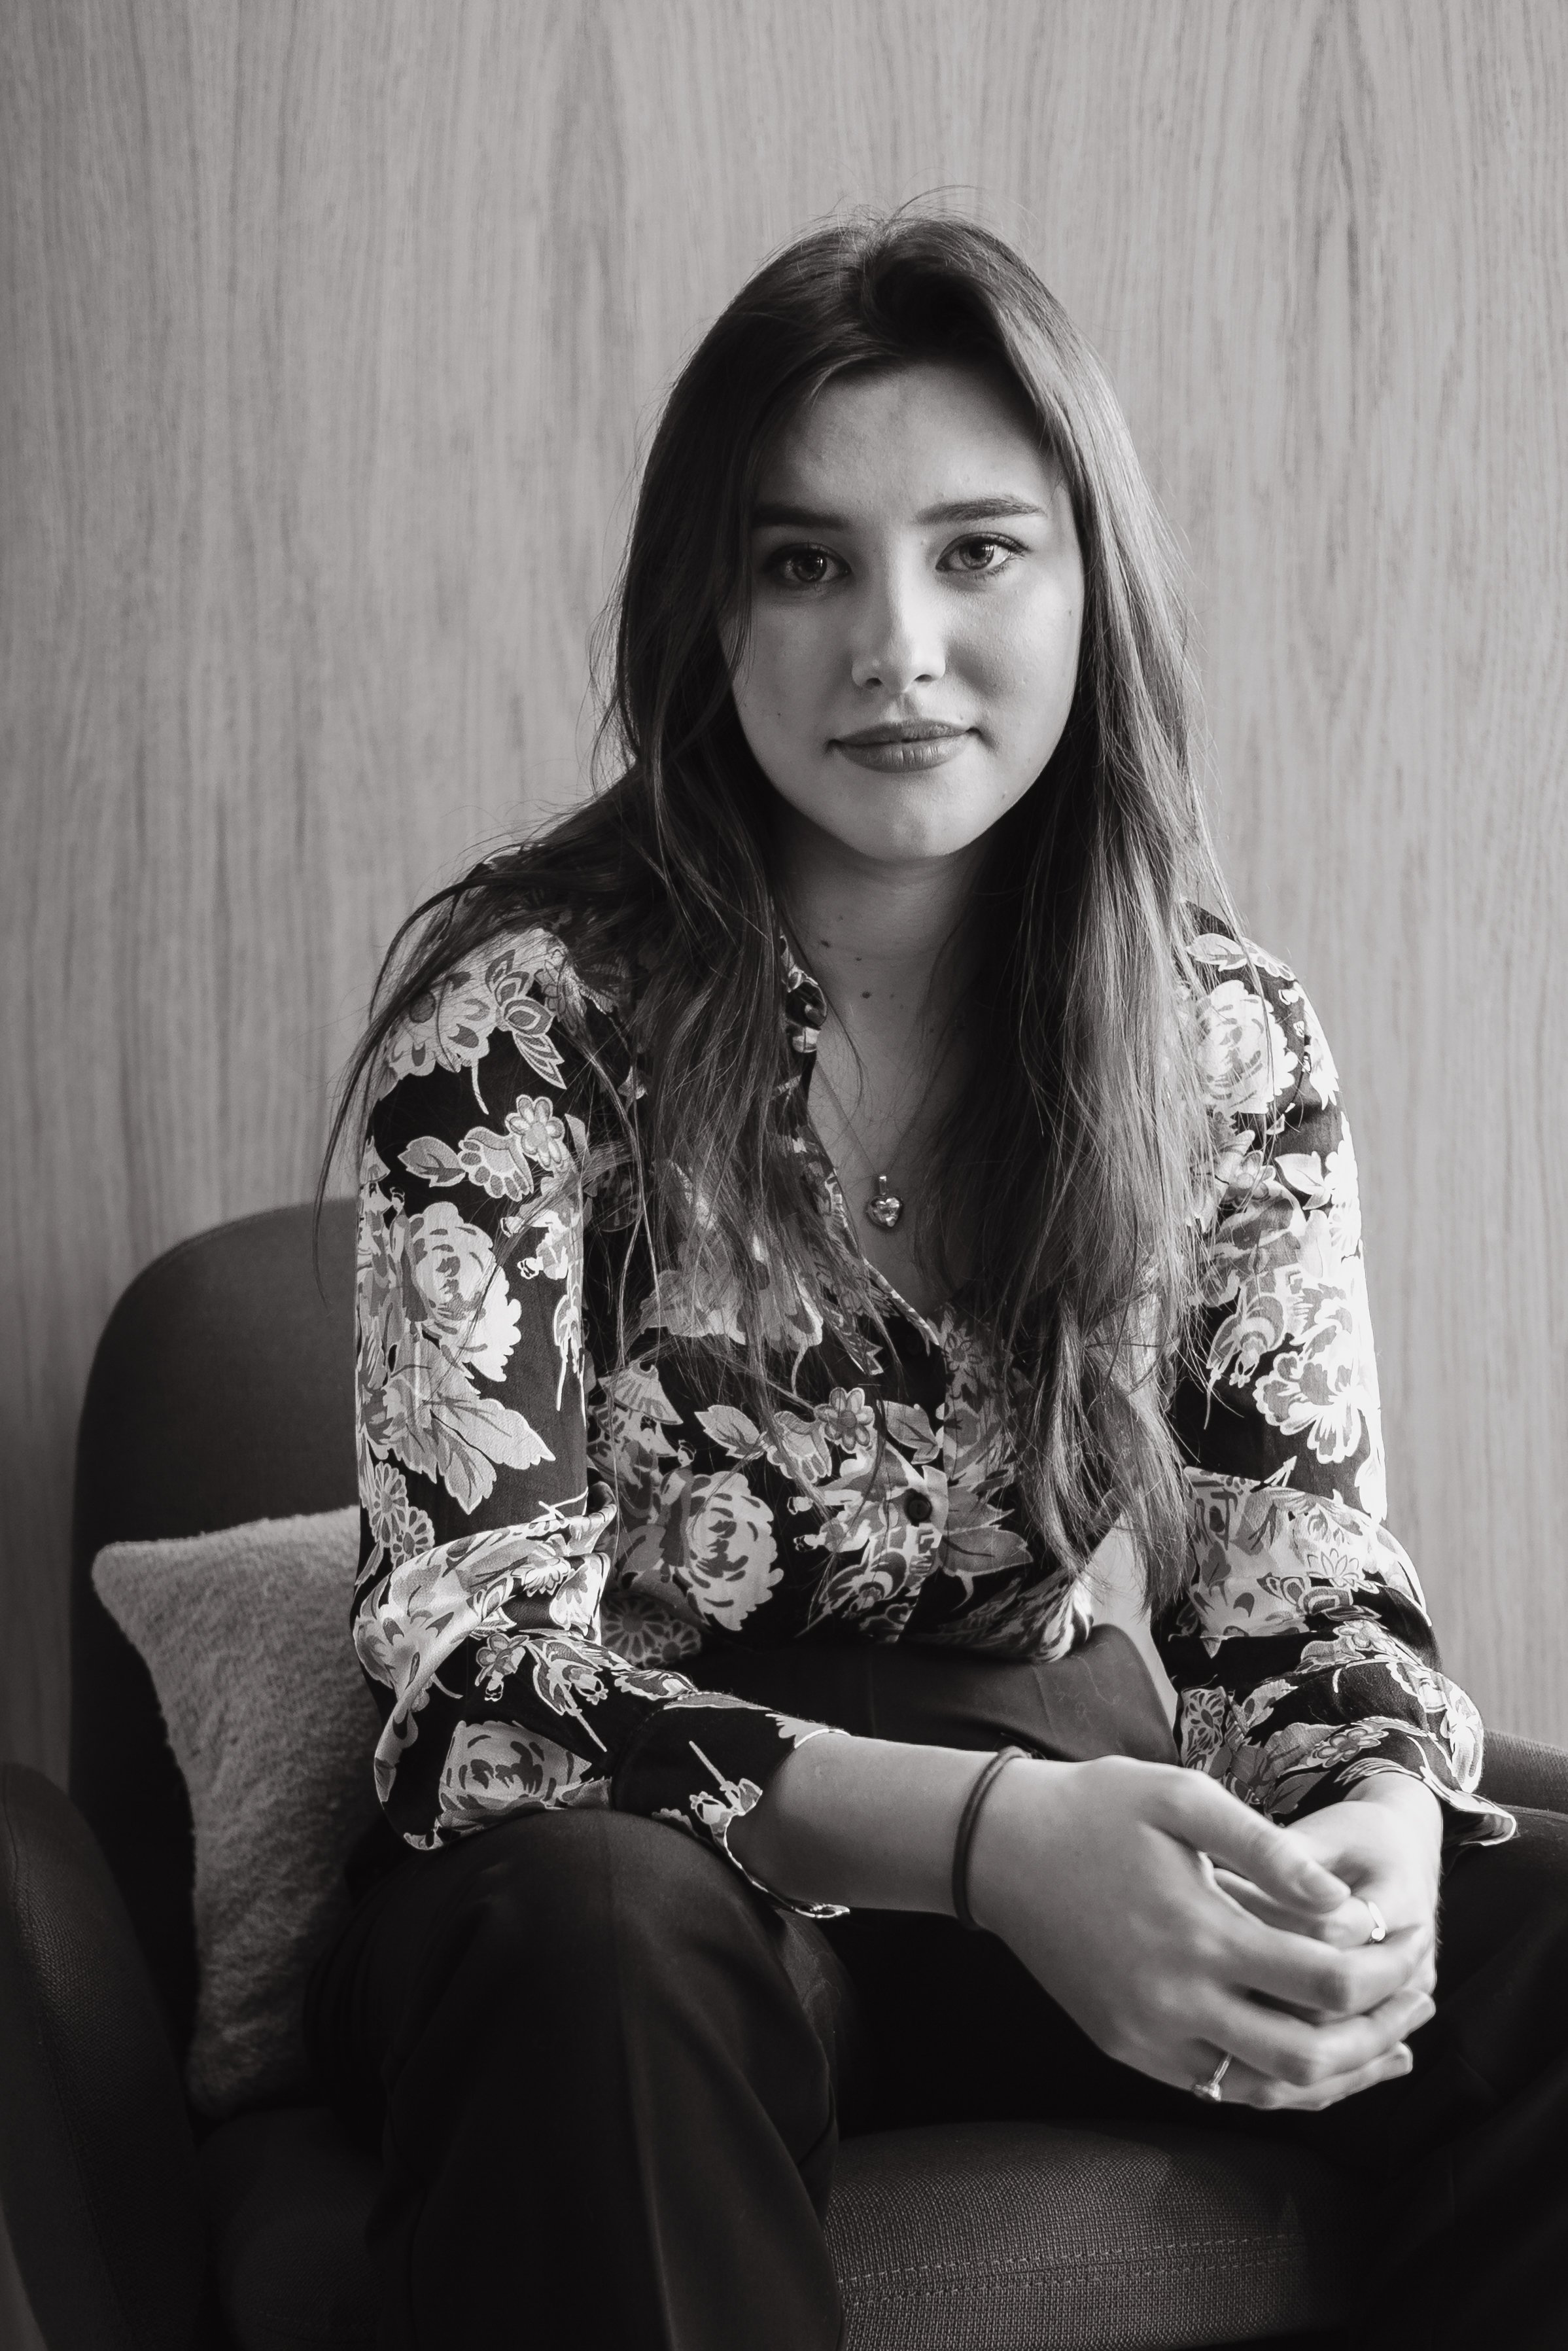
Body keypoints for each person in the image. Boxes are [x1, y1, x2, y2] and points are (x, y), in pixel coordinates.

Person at [305, 214, 1566, 2351]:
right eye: (805, 563)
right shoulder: (519, 1028)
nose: (895, 645)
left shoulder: (1224, 1040)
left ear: (1091, 583)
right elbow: (476, 1679)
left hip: (1066, 1826)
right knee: (600, 1948)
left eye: (978, 551)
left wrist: (1373, 1822)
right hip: (621, 1880)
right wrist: (996, 1843)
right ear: (709, 608)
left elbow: (1300, 1585)